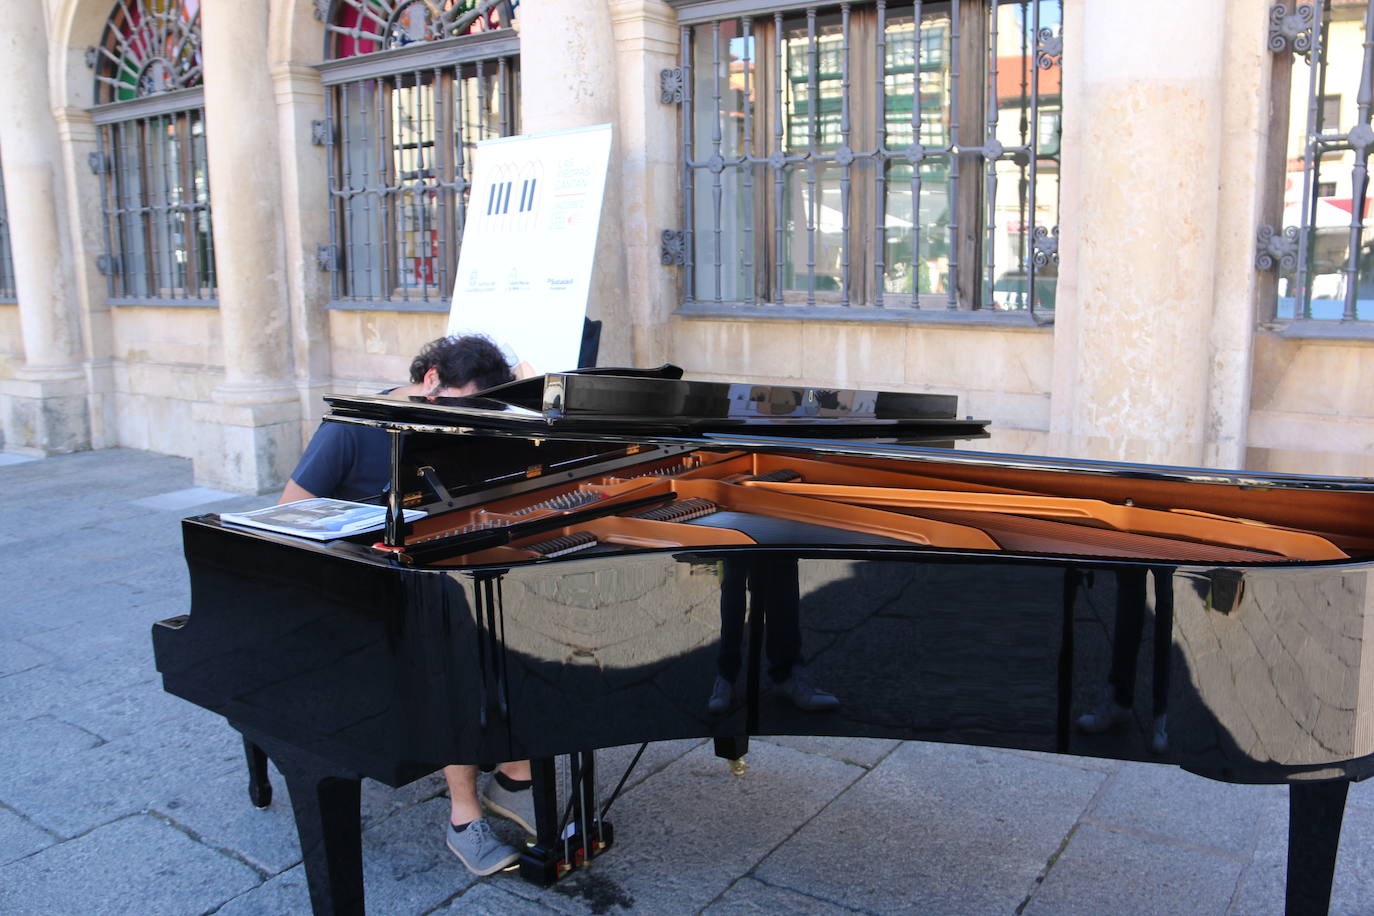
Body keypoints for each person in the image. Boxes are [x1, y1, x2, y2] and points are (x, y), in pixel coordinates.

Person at [280, 334, 535, 876]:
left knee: (520, 620)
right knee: (450, 648)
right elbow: (289, 514)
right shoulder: (354, 427)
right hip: (355, 586)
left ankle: (515, 774)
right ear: (430, 380)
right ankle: (465, 816)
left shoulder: (465, 421)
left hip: (428, 573)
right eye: (458, 405)